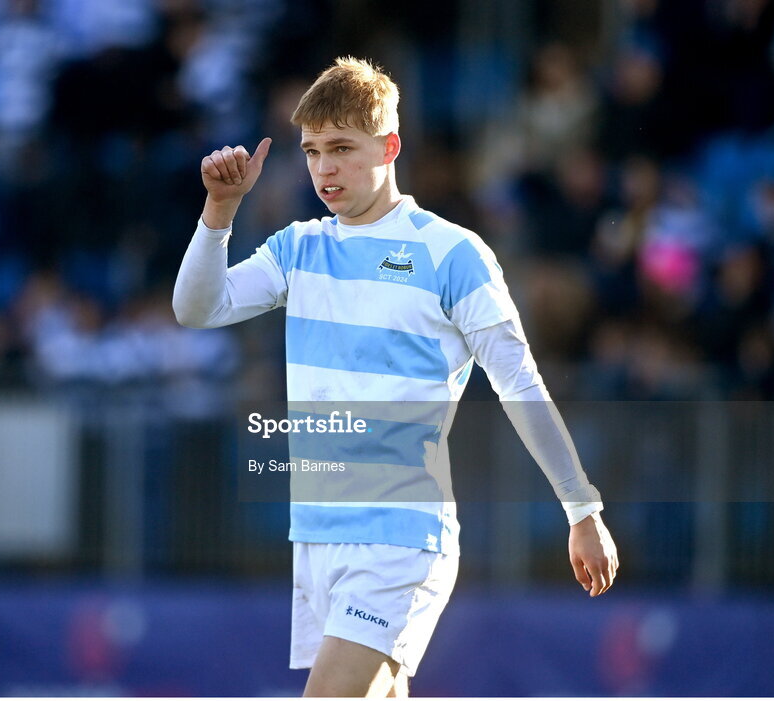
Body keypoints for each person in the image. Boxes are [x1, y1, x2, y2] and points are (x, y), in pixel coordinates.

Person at [173, 57, 619, 698]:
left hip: (401, 536)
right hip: (320, 534)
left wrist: (583, 508)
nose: (324, 168)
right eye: (313, 151)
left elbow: (520, 383)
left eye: (342, 149)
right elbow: (196, 308)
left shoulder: (452, 254)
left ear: (390, 146)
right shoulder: (299, 246)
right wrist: (219, 211)